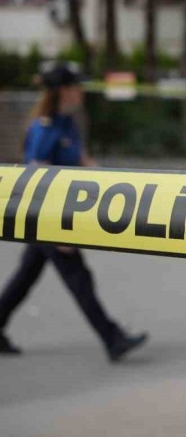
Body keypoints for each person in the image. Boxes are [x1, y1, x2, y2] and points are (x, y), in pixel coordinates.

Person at [0, 62, 148, 362]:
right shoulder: (44, 128)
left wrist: (110, 183)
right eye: (76, 86)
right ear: (63, 91)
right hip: (49, 216)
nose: (81, 91)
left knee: (26, 276)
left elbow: (81, 159)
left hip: (62, 213)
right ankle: (112, 339)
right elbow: (34, 178)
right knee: (78, 278)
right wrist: (54, 230)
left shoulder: (67, 122)